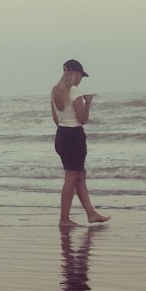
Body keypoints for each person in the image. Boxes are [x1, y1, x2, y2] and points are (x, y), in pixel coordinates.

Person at [50, 59, 109, 228]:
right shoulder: (75, 92)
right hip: (74, 136)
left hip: (61, 135)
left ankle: (91, 213)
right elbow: (82, 119)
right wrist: (88, 104)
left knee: (80, 175)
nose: (81, 79)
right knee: (71, 178)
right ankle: (64, 219)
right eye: (80, 75)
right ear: (74, 73)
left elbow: (55, 119)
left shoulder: (55, 91)